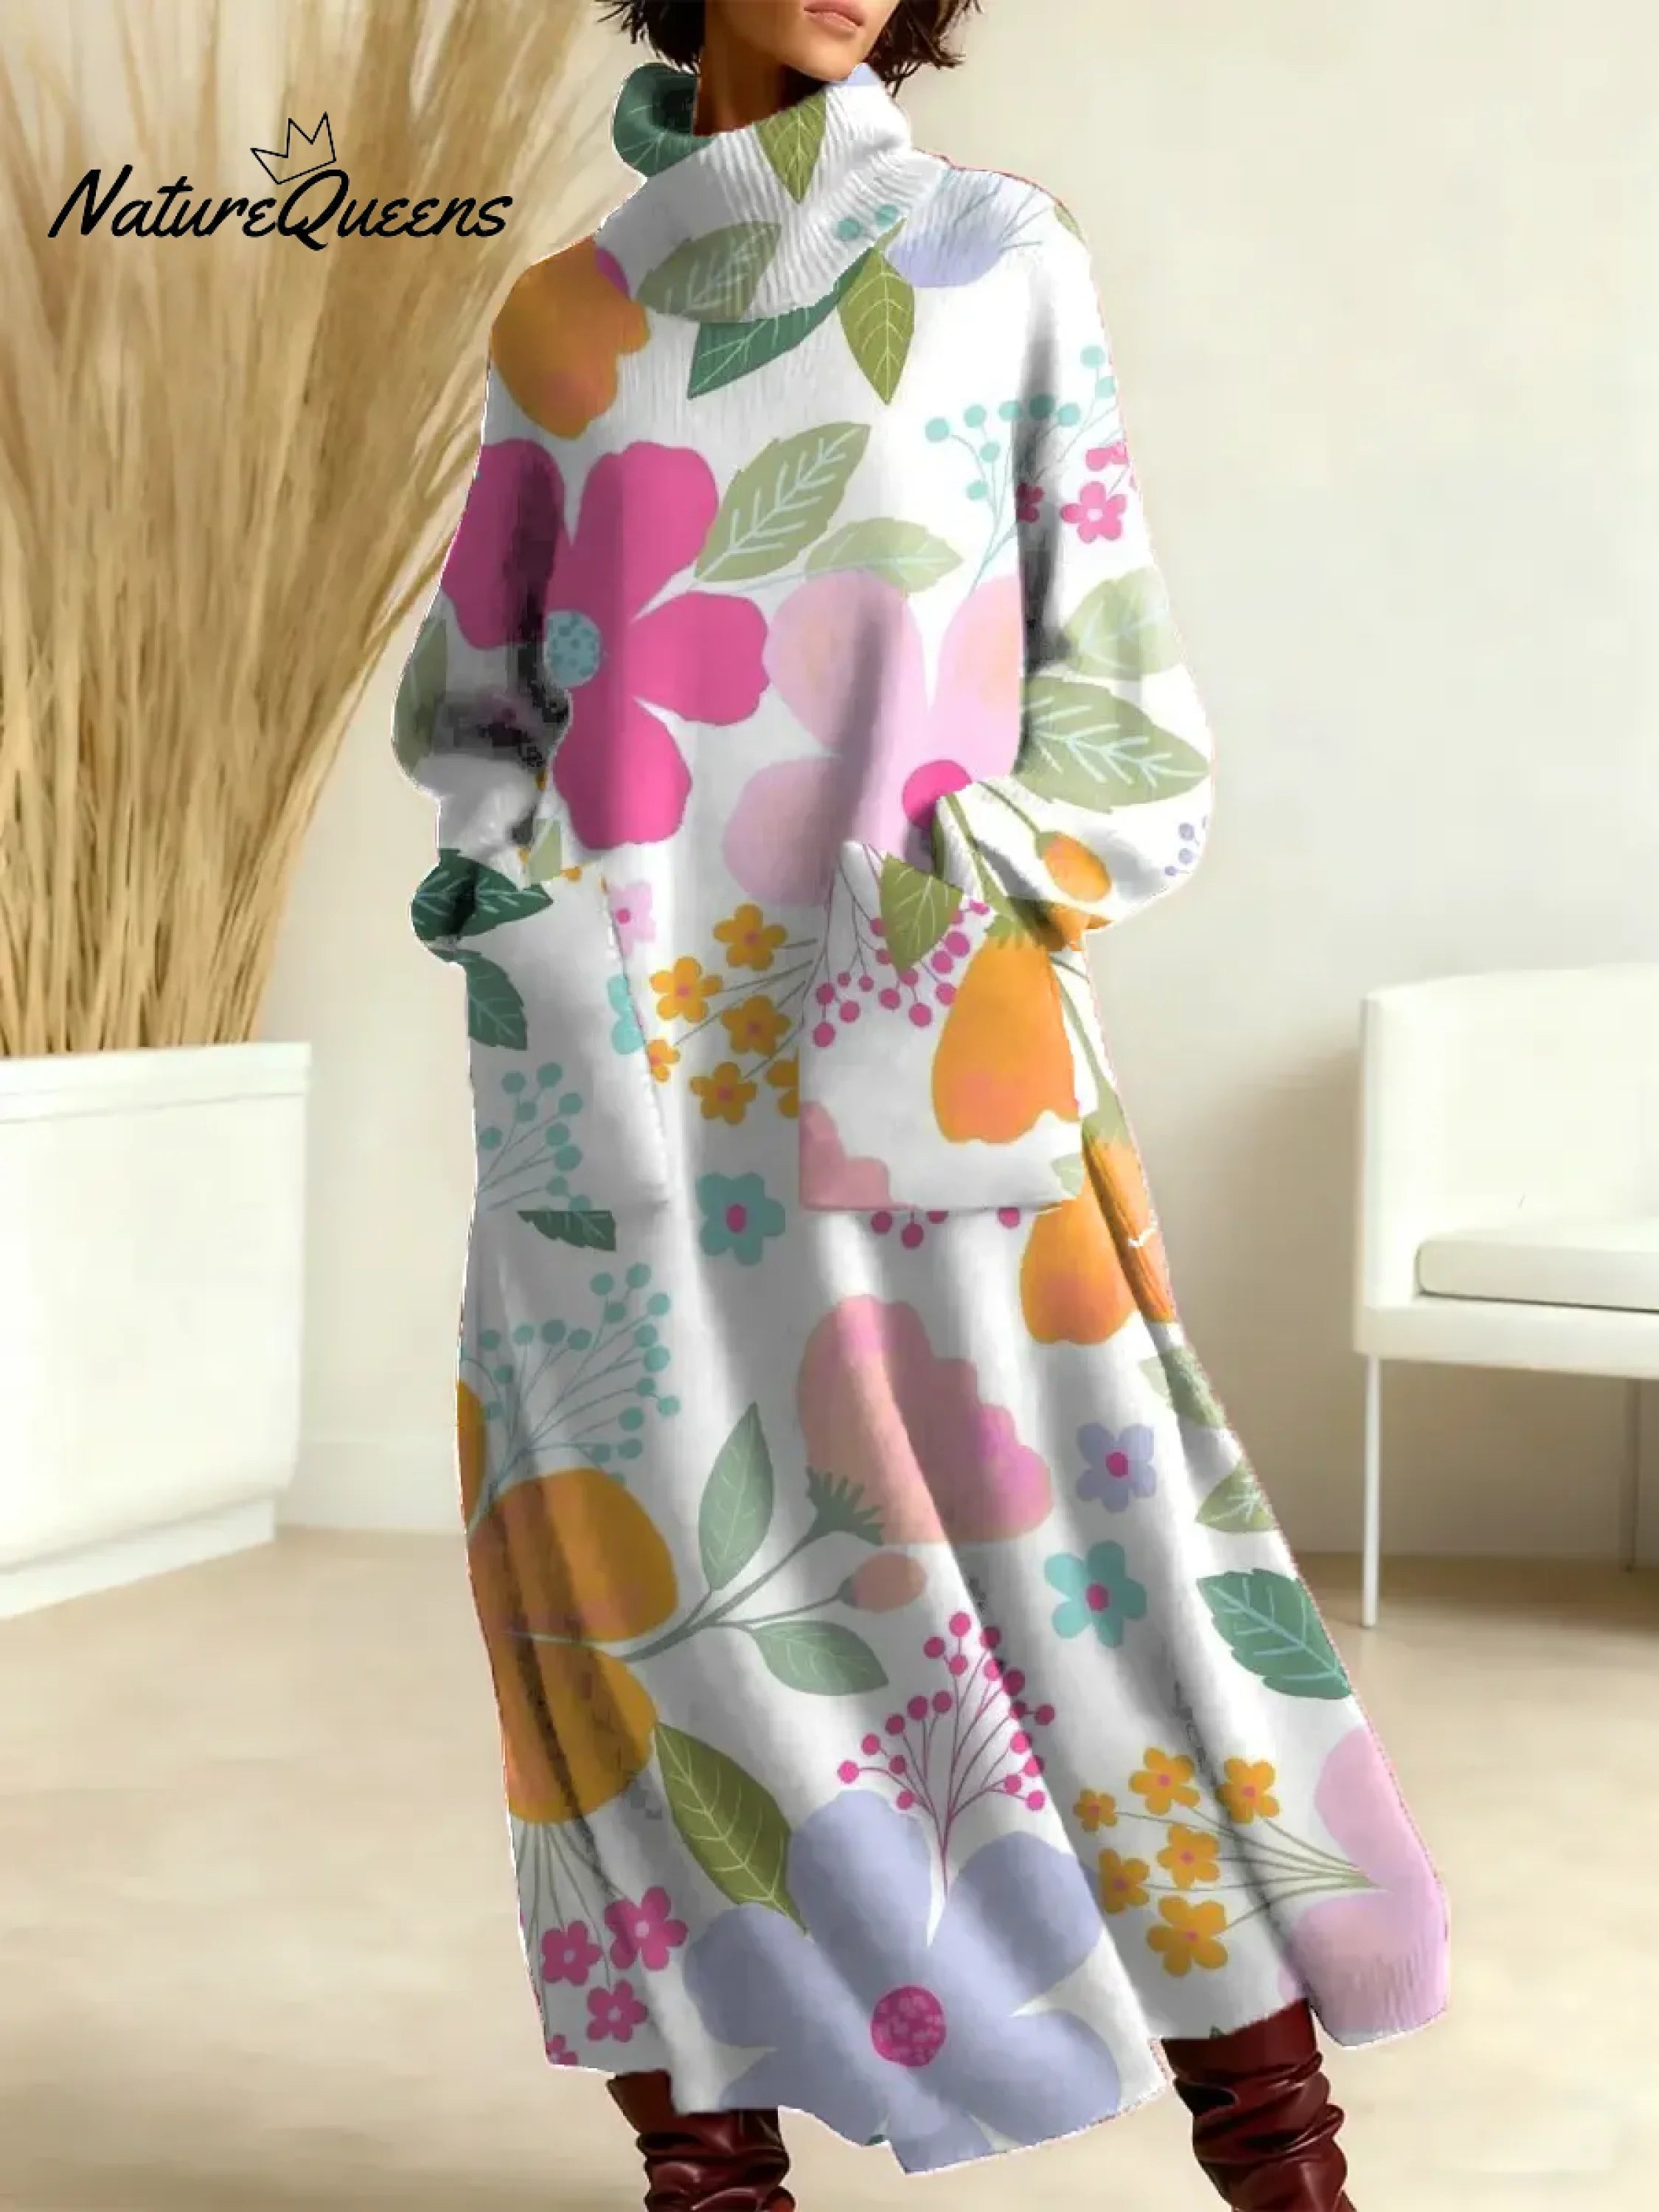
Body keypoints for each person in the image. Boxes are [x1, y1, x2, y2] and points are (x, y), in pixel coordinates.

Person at [391, 1, 1450, 2205]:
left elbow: (1117, 695)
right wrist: (530, 914)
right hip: (619, 1087)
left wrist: (967, 889)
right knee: (638, 1627)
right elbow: (480, 705)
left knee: (1094, 1592)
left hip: (915, 1025)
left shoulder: (992, 256)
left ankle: (1283, 2162)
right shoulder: (561, 321)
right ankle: (711, 2173)